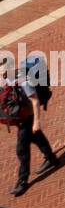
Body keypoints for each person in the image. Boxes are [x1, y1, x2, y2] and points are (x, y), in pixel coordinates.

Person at [2, 54, 58, 197]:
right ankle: (51, 158)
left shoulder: (22, 80)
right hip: (21, 116)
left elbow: (34, 101)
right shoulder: (4, 79)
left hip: (27, 117)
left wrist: (36, 122)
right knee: (36, 137)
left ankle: (22, 181)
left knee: (21, 149)